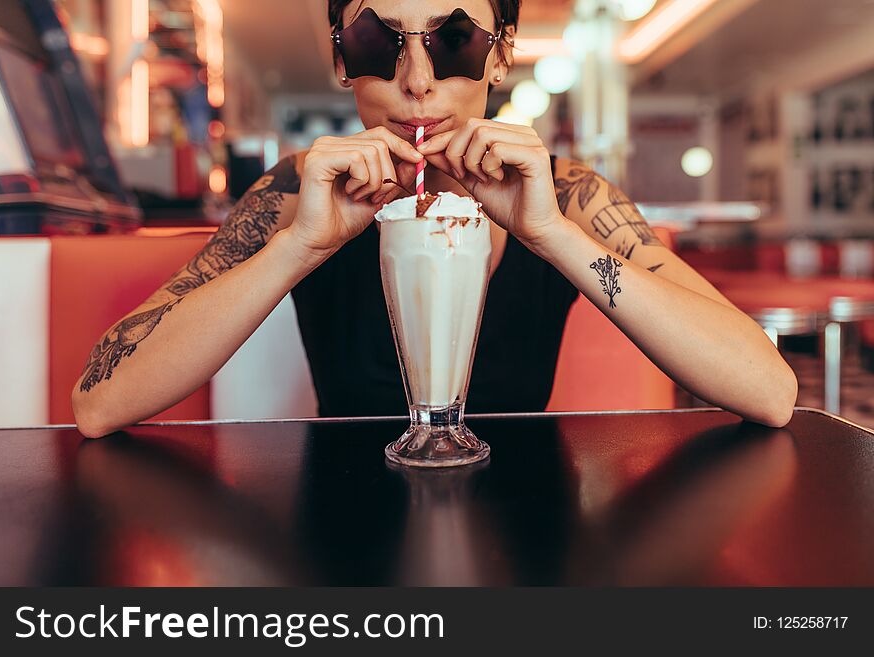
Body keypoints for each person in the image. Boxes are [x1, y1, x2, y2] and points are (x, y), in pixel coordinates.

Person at [72, 0, 798, 438]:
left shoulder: (566, 194)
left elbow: (768, 390)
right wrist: (297, 248)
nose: (416, 82)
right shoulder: (298, 192)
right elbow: (100, 403)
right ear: (339, 60)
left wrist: (551, 236)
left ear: (502, 54)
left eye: (453, 42)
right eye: (376, 43)